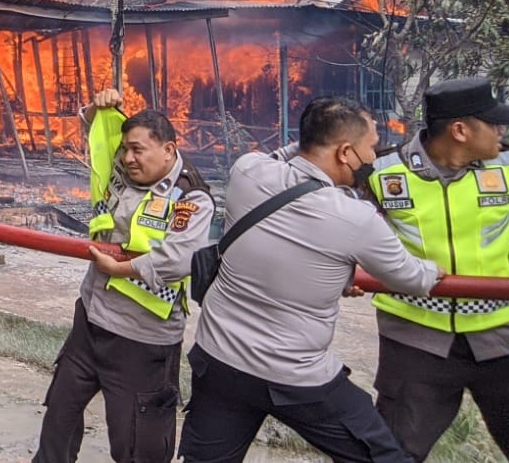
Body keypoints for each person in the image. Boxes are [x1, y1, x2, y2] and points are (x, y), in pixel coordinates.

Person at [178, 97, 442, 463]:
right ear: (345, 152)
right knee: (382, 457)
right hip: (297, 379)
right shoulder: (355, 217)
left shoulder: (248, 172)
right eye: (371, 147)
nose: (374, 157)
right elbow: (411, 278)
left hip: (220, 361)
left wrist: (315, 134)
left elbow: (289, 156)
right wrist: (437, 272)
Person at [34, 90, 215, 463]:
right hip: (91, 320)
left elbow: (179, 259)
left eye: (138, 150)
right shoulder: (118, 165)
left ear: (168, 149)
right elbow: (94, 129)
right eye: (125, 150)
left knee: (137, 447)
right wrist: (97, 106)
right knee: (59, 419)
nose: (128, 158)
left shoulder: (191, 198)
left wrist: (123, 268)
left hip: (142, 340)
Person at [367, 77, 509, 461]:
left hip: (506, 336)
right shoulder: (381, 173)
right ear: (460, 130)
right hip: (415, 340)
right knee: (391, 453)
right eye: (494, 124)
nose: (502, 132)